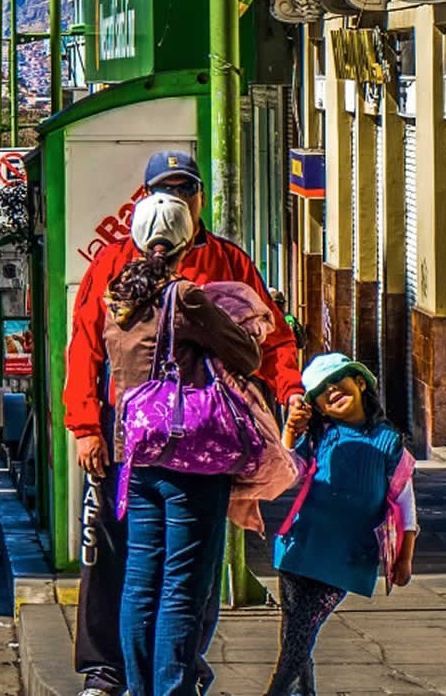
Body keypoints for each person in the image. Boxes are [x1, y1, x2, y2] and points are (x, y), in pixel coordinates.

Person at [63, 149, 305, 696]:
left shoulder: (222, 261)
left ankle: (150, 680)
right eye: (165, 189)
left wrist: (290, 386)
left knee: (147, 577)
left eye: (185, 187)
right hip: (180, 450)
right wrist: (84, 427)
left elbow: (277, 343)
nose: (177, 197)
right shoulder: (129, 272)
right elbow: (84, 349)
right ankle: (133, 676)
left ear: (200, 199)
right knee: (154, 572)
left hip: (141, 447)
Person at [105, 191, 263, 696]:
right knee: (183, 586)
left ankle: (138, 685)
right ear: (187, 239)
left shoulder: (120, 300)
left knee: (140, 580)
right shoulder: (185, 297)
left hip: (138, 458)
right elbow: (246, 355)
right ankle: (171, 688)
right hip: (191, 458)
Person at [263, 353, 419, 696]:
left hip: (347, 557)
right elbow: (287, 475)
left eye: (337, 381)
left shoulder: (390, 442)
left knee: (300, 632)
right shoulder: (319, 438)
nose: (331, 391)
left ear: (359, 382)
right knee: (296, 633)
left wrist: (404, 557)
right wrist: (290, 431)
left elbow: (405, 504)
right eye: (321, 391)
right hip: (299, 548)